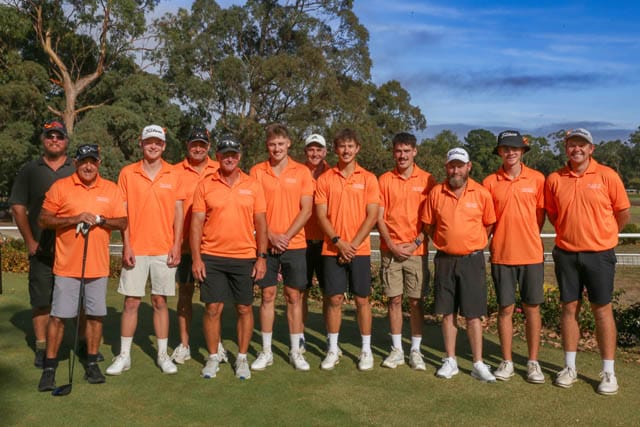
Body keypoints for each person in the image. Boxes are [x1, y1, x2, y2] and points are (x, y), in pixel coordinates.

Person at [545, 128, 630, 395]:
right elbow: (553, 215)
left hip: (599, 254)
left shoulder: (607, 175)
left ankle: (608, 372)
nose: (577, 149)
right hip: (566, 254)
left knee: (602, 310)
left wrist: (604, 236)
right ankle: (569, 367)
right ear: (566, 148)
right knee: (569, 308)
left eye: (582, 145)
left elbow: (622, 212)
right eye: (572, 144)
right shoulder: (555, 178)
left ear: (591, 149)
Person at [36, 144, 127, 391]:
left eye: (93, 161)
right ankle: (50, 367)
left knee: (96, 316)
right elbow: (44, 219)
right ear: (75, 163)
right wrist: (74, 218)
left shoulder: (110, 189)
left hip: (97, 267)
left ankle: (92, 362)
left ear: (99, 163)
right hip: (67, 266)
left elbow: (122, 221)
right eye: (84, 161)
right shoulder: (60, 187)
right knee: (59, 317)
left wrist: (101, 220)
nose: (88, 166)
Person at [106, 125, 184, 375]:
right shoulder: (127, 173)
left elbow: (179, 213)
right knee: (131, 302)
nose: (153, 146)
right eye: (149, 141)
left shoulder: (174, 173)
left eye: (158, 142)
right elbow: (122, 212)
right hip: (136, 248)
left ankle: (162, 355)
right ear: (141, 143)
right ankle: (124, 356)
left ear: (164, 146)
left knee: (160, 301)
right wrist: (126, 245)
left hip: (164, 248)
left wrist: (177, 245)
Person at [191, 136, 268, 380]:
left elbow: (261, 224)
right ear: (218, 156)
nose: (230, 158)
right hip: (212, 256)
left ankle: (242, 358)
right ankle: (213, 356)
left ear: (239, 156)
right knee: (212, 308)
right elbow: (196, 224)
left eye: (233, 154)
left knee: (244, 308)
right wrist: (196, 259)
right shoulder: (205, 185)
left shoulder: (253, 185)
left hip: (244, 256)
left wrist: (262, 257)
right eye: (225, 154)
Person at [421, 147, 497, 382]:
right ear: (447, 167)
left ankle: (478, 363)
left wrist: (472, 242)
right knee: (448, 312)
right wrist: (446, 242)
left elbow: (489, 224)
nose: (456, 170)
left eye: (460, 166)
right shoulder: (436, 192)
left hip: (472, 260)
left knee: (473, 315)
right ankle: (450, 360)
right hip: (445, 259)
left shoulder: (481, 193)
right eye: (452, 166)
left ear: (468, 166)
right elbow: (428, 225)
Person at [9, 120, 75, 368]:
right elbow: (17, 207)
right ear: (43, 140)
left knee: (76, 301)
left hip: (72, 249)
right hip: (41, 250)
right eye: (50, 136)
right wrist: (30, 241)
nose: (54, 140)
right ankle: (41, 347)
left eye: (59, 136)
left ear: (66, 140)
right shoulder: (30, 170)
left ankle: (79, 345)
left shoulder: (77, 167)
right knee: (41, 301)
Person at [483, 131, 546, 383]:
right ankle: (507, 361)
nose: (511, 152)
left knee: (532, 308)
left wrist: (525, 236)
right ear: (500, 152)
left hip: (531, 254)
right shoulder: (489, 182)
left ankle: (533, 362)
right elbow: (488, 220)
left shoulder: (538, 179)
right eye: (506, 149)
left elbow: (539, 218)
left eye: (515, 149)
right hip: (502, 254)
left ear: (522, 152)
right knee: (505, 309)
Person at [249, 124, 314, 371]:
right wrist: (271, 236)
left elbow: (306, 210)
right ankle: (266, 352)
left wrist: (285, 236)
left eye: (280, 143)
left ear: (289, 144)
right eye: (272, 144)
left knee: (293, 296)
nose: (276, 148)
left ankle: (296, 351)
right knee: (267, 295)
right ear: (267, 146)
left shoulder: (302, 172)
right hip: (266, 244)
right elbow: (254, 210)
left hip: (294, 244)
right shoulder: (257, 171)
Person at [315, 128, 380, 371]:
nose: (346, 150)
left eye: (350, 146)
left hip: (359, 249)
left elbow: (372, 215)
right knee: (334, 299)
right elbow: (321, 215)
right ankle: (333, 349)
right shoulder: (325, 179)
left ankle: (366, 350)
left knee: (362, 299)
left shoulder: (369, 178)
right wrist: (338, 242)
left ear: (357, 148)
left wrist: (351, 245)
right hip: (333, 249)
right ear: (335, 149)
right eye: (342, 146)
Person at [378, 132, 436, 371]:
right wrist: (392, 245)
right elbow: (379, 217)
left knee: (415, 301)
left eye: (406, 151)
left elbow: (431, 219)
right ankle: (397, 350)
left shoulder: (428, 179)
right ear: (393, 152)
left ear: (414, 151)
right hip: (390, 251)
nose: (402, 155)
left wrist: (415, 243)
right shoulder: (384, 180)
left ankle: (415, 351)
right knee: (394, 300)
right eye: (398, 151)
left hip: (416, 251)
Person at [170, 127, 228, 365]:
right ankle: (184, 344)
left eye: (202, 144)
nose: (198, 148)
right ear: (187, 145)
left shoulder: (220, 168)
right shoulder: (174, 172)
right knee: (185, 294)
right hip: (185, 245)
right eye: (194, 144)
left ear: (209, 146)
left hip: (213, 246)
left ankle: (217, 343)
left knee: (215, 299)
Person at [302, 133, 330, 348]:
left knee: (329, 293)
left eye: (318, 149)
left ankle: (331, 336)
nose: (315, 153)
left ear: (325, 152)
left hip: (326, 243)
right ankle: (300, 336)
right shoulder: (297, 172)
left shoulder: (333, 174)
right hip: (301, 242)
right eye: (311, 149)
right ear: (305, 152)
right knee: (300, 292)